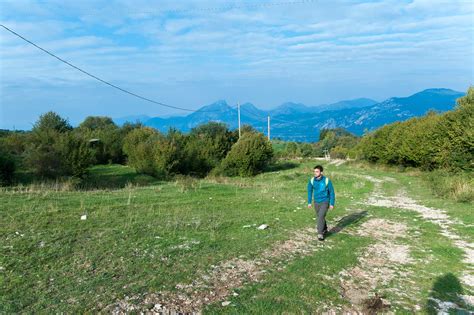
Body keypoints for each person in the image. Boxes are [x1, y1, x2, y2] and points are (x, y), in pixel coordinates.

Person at [307, 165, 335, 241]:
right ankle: (325, 228)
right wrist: (309, 202)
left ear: (321, 172)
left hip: (325, 201)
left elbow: (332, 192)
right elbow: (309, 191)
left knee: (320, 217)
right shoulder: (312, 180)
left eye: (317, 171)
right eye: (314, 171)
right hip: (316, 202)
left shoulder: (327, 180)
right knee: (320, 216)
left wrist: (332, 203)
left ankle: (320, 233)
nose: (315, 173)